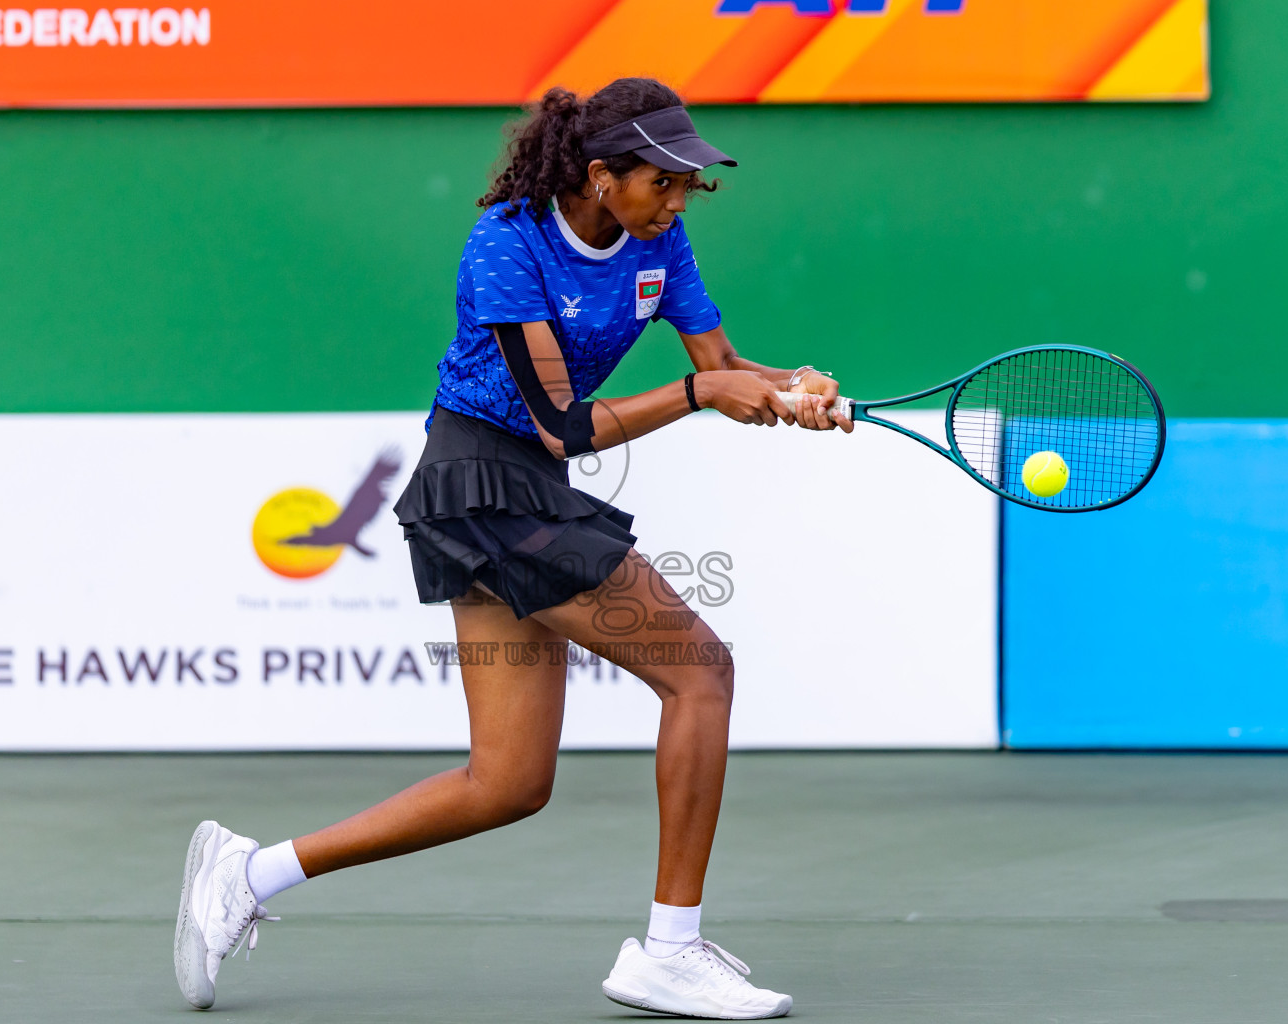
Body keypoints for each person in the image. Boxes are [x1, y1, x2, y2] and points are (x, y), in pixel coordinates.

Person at [174, 76, 852, 1020]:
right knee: (700, 672)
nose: (679, 199)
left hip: (523, 493)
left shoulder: (661, 239)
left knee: (508, 783)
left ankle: (250, 874)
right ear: (600, 173)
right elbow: (564, 428)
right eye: (663, 181)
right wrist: (703, 401)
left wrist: (791, 387)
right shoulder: (508, 244)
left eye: (689, 184)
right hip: (480, 481)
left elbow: (720, 366)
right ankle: (669, 949)